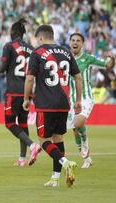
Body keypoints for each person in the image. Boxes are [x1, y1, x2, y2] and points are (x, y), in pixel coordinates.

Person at [23, 25, 82, 187]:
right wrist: (78, 100)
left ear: (40, 38)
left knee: (44, 142)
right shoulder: (66, 52)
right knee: (58, 139)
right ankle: (55, 178)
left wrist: (26, 98)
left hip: (45, 103)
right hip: (64, 103)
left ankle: (66, 163)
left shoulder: (37, 53)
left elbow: (29, 79)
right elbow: (77, 76)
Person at [67, 33, 115, 168]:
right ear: (70, 43)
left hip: (85, 98)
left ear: (82, 44)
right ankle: (87, 159)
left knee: (78, 123)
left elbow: (107, 65)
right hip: (72, 100)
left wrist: (112, 58)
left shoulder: (87, 58)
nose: (75, 42)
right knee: (75, 129)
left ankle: (84, 140)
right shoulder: (65, 59)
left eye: (78, 40)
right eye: (73, 40)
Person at [0, 18, 41, 166]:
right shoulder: (31, 48)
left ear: (12, 32)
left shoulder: (9, 46)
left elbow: (1, 69)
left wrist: (2, 63)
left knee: (9, 123)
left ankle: (32, 145)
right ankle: (22, 158)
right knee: (22, 123)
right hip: (27, 92)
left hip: (13, 91)